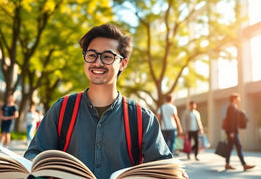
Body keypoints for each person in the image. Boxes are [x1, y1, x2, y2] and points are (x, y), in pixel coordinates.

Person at [24, 24, 176, 179]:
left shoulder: (141, 118)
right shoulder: (62, 109)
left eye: (107, 57)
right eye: (92, 55)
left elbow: (163, 166)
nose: (98, 62)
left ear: (123, 63)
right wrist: (30, 165)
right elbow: (35, 154)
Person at [224, 93, 255, 171]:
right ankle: (244, 164)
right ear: (234, 99)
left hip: (233, 131)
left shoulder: (233, 106)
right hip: (232, 132)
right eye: (238, 98)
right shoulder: (231, 107)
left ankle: (227, 164)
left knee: (230, 148)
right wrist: (231, 132)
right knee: (238, 147)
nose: (239, 100)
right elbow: (231, 120)